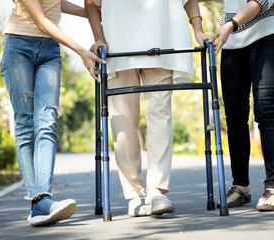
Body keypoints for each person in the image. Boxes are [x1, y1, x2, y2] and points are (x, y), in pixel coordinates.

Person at [85, 0, 209, 217]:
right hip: (118, 44)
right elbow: (90, 2)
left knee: (160, 114)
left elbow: (189, 0)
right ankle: (134, 193)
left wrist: (198, 31)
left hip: (162, 40)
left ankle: (156, 189)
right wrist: (99, 38)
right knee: (123, 121)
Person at [0, 0, 105, 226]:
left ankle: (42, 200)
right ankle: (38, 201)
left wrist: (88, 12)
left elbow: (53, 2)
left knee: (47, 122)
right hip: (19, 45)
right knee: (26, 124)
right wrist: (81, 51)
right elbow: (41, 20)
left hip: (50, 49)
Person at [208, 0, 274, 211]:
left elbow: (260, 2)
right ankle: (240, 187)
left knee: (266, 109)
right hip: (233, 42)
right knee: (234, 116)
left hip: (269, 33)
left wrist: (230, 25)